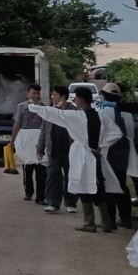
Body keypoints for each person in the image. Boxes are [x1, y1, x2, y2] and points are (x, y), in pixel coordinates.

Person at [31, 88, 122, 232]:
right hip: (95, 155)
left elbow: (56, 114)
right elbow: (117, 133)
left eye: (76, 99)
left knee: (83, 186)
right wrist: (101, 145)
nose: (74, 101)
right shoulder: (100, 116)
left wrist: (34, 107)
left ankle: (89, 222)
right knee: (98, 186)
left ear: (80, 100)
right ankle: (106, 222)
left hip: (82, 156)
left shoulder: (77, 116)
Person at [97, 82, 138, 229]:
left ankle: (110, 220)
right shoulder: (127, 111)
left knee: (109, 185)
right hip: (125, 151)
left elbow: (101, 133)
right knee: (122, 184)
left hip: (109, 151)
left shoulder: (103, 109)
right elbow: (132, 134)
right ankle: (125, 218)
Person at [42, 84, 78, 213]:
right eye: (52, 95)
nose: (53, 97)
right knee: (53, 177)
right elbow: (43, 131)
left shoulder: (75, 111)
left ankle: (70, 203)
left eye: (55, 95)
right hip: (54, 150)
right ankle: (53, 203)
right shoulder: (50, 111)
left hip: (71, 151)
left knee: (71, 177)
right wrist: (40, 147)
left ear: (63, 97)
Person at [9, 83, 47, 204]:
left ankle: (41, 196)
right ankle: (28, 192)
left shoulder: (44, 107)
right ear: (28, 94)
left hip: (40, 139)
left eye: (38, 93)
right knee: (28, 167)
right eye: (34, 93)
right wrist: (12, 141)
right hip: (26, 139)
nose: (36, 96)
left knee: (41, 168)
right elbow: (17, 125)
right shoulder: (21, 107)